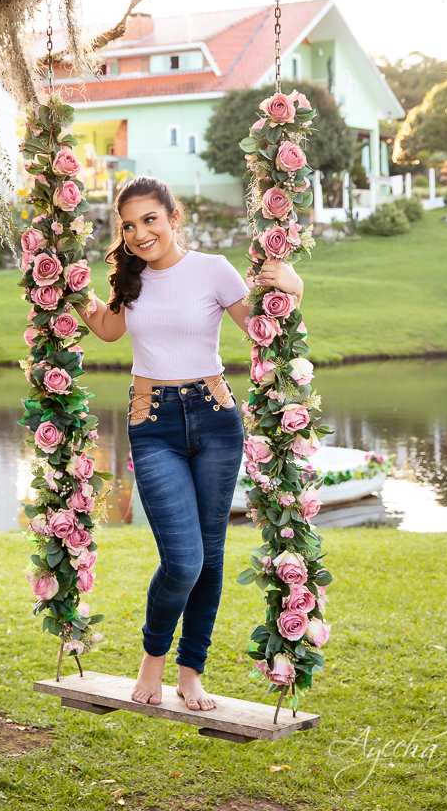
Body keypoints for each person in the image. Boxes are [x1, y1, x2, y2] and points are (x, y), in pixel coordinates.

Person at [80, 176, 303, 712]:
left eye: (149, 219)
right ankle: (151, 660)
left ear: (173, 217)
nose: (139, 233)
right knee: (183, 561)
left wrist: (292, 286)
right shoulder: (130, 280)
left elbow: (263, 328)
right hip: (151, 423)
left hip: (215, 419)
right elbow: (109, 331)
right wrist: (68, 288)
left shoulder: (213, 270)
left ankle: (190, 673)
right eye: (129, 225)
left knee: (211, 556)